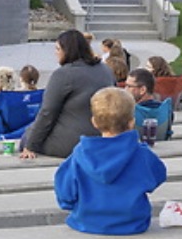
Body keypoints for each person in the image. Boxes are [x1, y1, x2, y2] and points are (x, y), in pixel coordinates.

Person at [52, 86, 168, 235]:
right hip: (133, 223)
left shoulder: (79, 155)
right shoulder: (142, 154)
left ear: (94, 122)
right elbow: (158, 176)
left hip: (86, 222)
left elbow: (65, 194)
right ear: (132, 122)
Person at [21, 30, 114, 159]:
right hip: (103, 138)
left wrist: (30, 145)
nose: (56, 53)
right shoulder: (105, 69)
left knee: (27, 135)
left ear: (68, 51)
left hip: (73, 143)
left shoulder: (63, 74)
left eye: (58, 49)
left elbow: (47, 112)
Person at [125, 69, 174, 141]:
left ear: (142, 90)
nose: (125, 89)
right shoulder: (166, 111)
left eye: (128, 86)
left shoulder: (129, 113)